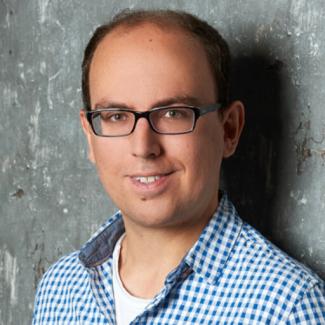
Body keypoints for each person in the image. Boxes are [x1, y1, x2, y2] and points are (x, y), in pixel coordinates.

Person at [32, 9, 325, 324]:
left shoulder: (288, 307)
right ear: (90, 136)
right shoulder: (59, 288)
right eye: (116, 116)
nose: (144, 148)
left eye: (173, 113)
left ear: (229, 130)